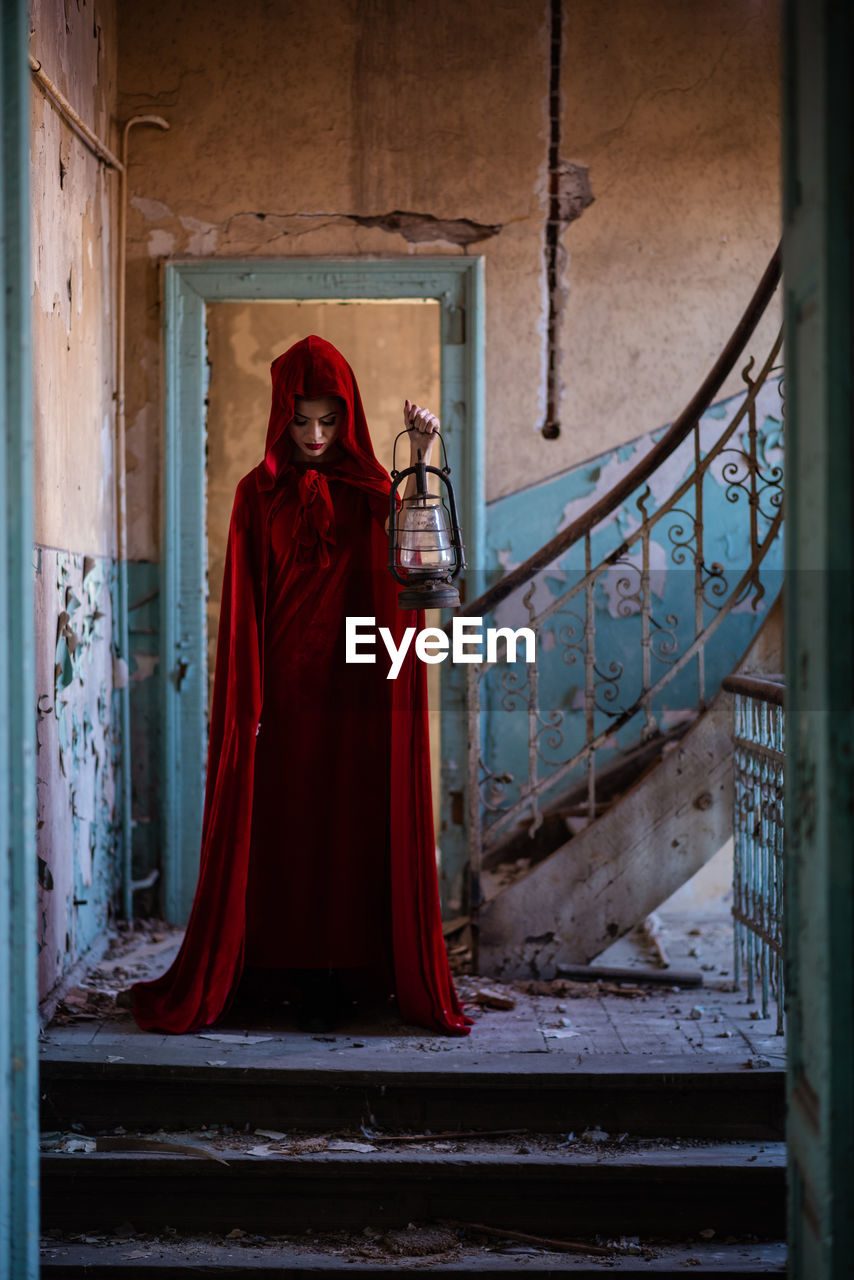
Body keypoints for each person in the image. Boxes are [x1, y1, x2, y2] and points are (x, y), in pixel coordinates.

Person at [130, 335, 471, 1036]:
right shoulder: (255, 495)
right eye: (302, 420)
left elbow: (419, 562)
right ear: (281, 416)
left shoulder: (377, 490)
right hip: (281, 699)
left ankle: (345, 979)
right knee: (281, 835)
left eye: (329, 420)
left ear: (348, 418)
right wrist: (247, 707)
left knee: (346, 833)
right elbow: (245, 606)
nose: (315, 436)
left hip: (354, 697)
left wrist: (423, 454)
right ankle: (265, 976)